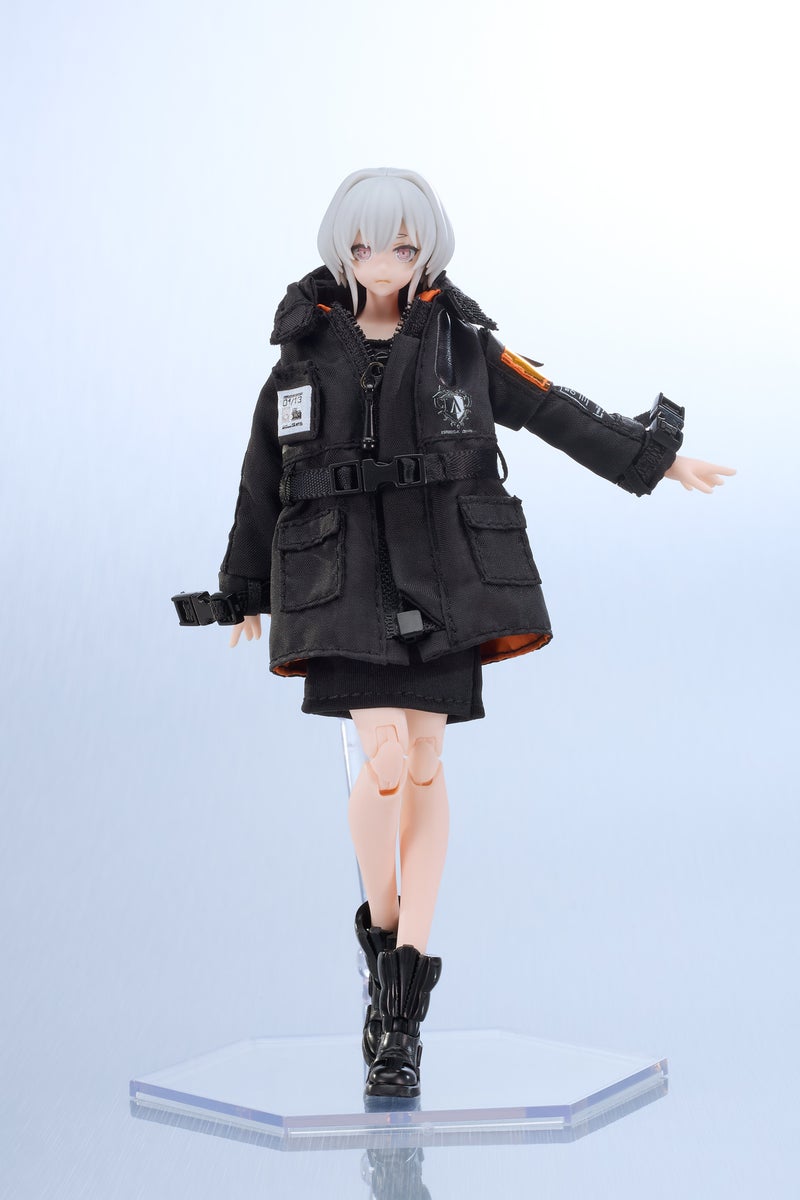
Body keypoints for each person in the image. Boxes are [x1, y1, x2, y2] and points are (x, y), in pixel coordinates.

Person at [213, 167, 734, 1098]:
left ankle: (401, 1002)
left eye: (403, 245)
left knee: (423, 764)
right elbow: (262, 474)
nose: (383, 261)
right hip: (341, 588)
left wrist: (655, 461)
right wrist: (244, 590)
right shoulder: (300, 353)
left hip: (442, 584)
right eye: (366, 244)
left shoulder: (462, 342)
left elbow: (552, 407)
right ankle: (384, 943)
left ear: (427, 250)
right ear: (342, 248)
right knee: (381, 758)